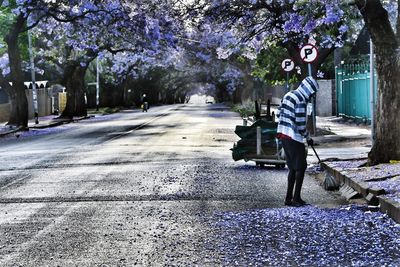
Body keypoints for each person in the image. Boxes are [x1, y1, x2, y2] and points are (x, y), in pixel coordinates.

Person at [277, 76, 318, 207]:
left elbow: (278, 113)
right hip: (293, 137)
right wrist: (308, 137)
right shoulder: (301, 100)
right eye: (312, 93)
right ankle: (296, 198)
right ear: (308, 90)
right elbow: (300, 125)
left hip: (283, 134)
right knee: (301, 167)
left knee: (292, 168)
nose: (312, 96)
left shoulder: (289, 94)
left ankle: (289, 198)